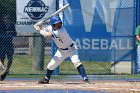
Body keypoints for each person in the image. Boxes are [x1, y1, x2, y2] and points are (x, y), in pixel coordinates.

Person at [34, 16, 89, 84]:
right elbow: (45, 30)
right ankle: (46, 79)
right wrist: (41, 26)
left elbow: (47, 35)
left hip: (71, 49)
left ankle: (85, 78)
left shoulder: (61, 30)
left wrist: (38, 29)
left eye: (59, 23)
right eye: (57, 24)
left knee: (76, 62)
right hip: (61, 51)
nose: (59, 25)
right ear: (53, 25)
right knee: (51, 65)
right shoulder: (51, 28)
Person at [0, 15, 17, 81]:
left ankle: (7, 70)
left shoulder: (11, 25)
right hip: (2, 44)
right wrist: (5, 37)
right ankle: (2, 70)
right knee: (2, 58)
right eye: (5, 19)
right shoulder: (1, 25)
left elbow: (15, 33)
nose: (6, 20)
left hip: (9, 44)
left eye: (8, 19)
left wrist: (10, 35)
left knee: (10, 58)